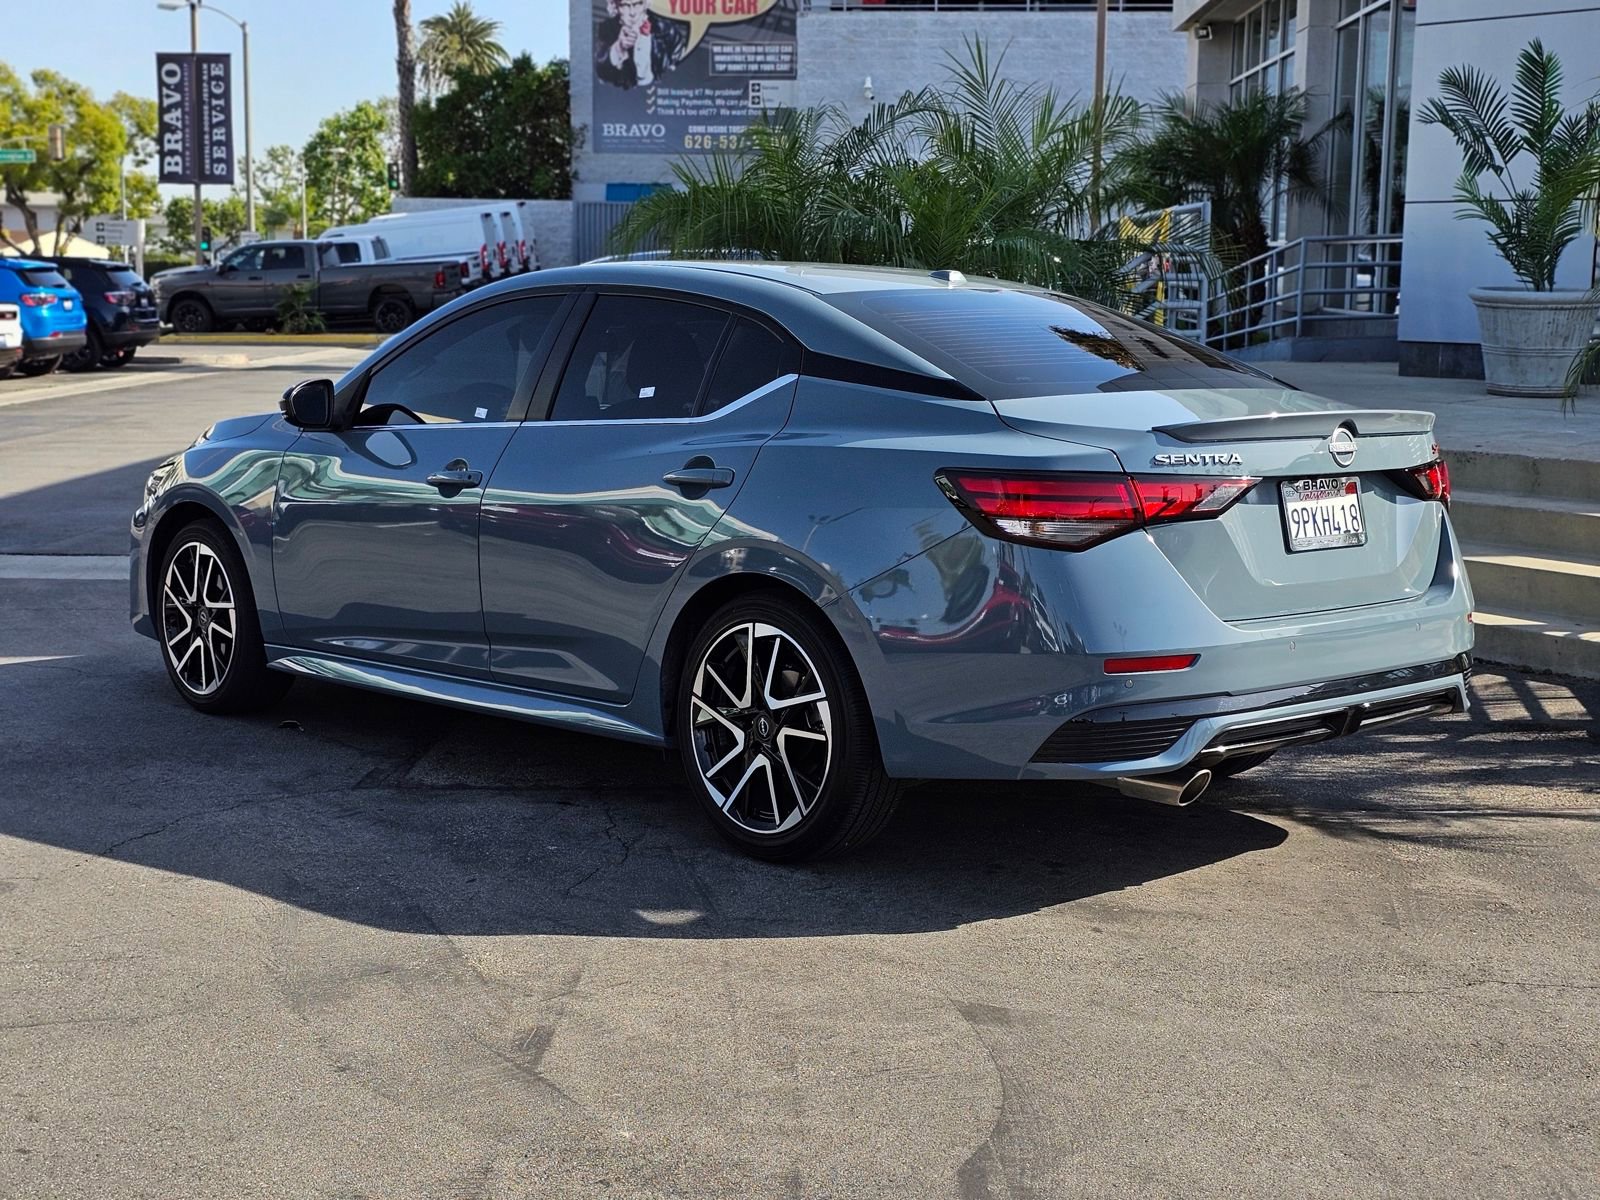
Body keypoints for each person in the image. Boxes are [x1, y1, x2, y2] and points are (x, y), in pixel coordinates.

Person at [595, 0, 687, 90]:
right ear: (616, 7)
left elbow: (680, 74)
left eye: (637, 4)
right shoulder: (605, 29)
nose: (632, 13)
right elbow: (600, 73)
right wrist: (619, 47)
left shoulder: (667, 31)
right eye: (625, 5)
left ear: (645, 3)